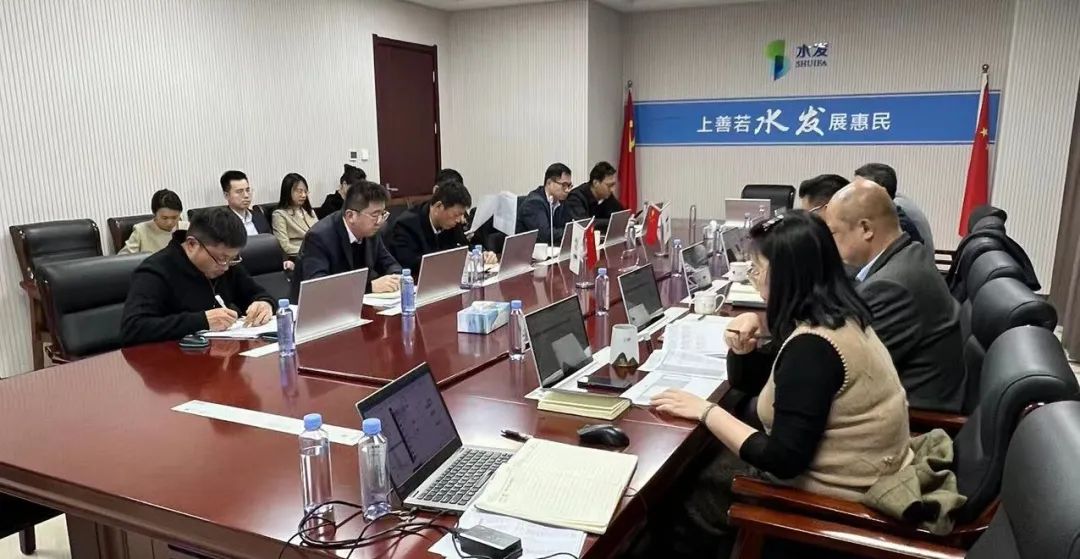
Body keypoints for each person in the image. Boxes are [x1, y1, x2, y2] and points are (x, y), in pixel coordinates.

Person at [638, 210, 911, 558]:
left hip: (835, 503)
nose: (753, 279)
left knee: (677, 495)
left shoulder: (814, 347)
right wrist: (743, 351)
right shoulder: (836, 316)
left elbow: (781, 459)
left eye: (757, 269)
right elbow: (765, 383)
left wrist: (707, 412)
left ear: (786, 275)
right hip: (855, 472)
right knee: (702, 459)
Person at [823, 180, 965, 411]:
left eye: (833, 232)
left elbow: (845, 368)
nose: (829, 243)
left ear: (866, 229)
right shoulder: (910, 254)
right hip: (907, 396)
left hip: (913, 414)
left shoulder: (890, 286)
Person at [121, 207, 275, 347]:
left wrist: (265, 304)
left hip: (223, 355)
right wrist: (202, 321)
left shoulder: (226, 263)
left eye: (232, 258)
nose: (226, 267)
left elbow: (258, 294)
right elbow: (133, 329)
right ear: (192, 244)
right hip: (174, 361)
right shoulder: (156, 271)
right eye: (221, 258)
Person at [298, 179, 402, 293]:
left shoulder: (371, 231)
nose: (380, 221)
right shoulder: (319, 237)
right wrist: (369, 287)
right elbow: (318, 286)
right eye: (375, 215)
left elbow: (390, 264)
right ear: (350, 216)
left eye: (383, 214)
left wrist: (396, 278)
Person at [389, 177, 496, 277]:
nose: (459, 220)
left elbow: (463, 246)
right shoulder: (406, 225)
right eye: (456, 214)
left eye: (462, 214)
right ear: (439, 206)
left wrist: (481, 254)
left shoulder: (452, 222)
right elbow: (409, 264)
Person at [854, 163, 934, 253]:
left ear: (881, 192)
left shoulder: (897, 226)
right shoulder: (886, 216)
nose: (852, 196)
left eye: (859, 190)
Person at [516, 163, 572, 246]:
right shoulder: (533, 203)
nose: (567, 190)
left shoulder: (562, 201)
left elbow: (567, 226)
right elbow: (545, 235)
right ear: (549, 183)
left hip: (552, 249)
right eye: (564, 185)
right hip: (528, 250)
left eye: (569, 185)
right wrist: (572, 233)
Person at [119, 189, 188, 254]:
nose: (169, 222)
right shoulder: (141, 231)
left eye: (174, 217)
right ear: (154, 214)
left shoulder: (187, 228)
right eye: (164, 218)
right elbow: (123, 259)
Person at [564, 161, 625, 232]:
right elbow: (585, 224)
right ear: (596, 183)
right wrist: (613, 222)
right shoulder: (576, 197)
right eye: (609, 185)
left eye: (613, 185)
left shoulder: (607, 195)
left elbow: (620, 215)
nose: (612, 189)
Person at [271, 173, 318, 261]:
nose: (303, 195)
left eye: (305, 191)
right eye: (299, 191)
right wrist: (312, 251)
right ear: (288, 192)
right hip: (299, 258)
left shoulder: (310, 212)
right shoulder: (279, 215)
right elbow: (285, 247)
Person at [220, 170, 270, 236]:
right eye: (239, 191)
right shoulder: (221, 223)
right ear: (226, 195)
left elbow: (270, 240)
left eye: (247, 190)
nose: (246, 195)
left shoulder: (259, 217)